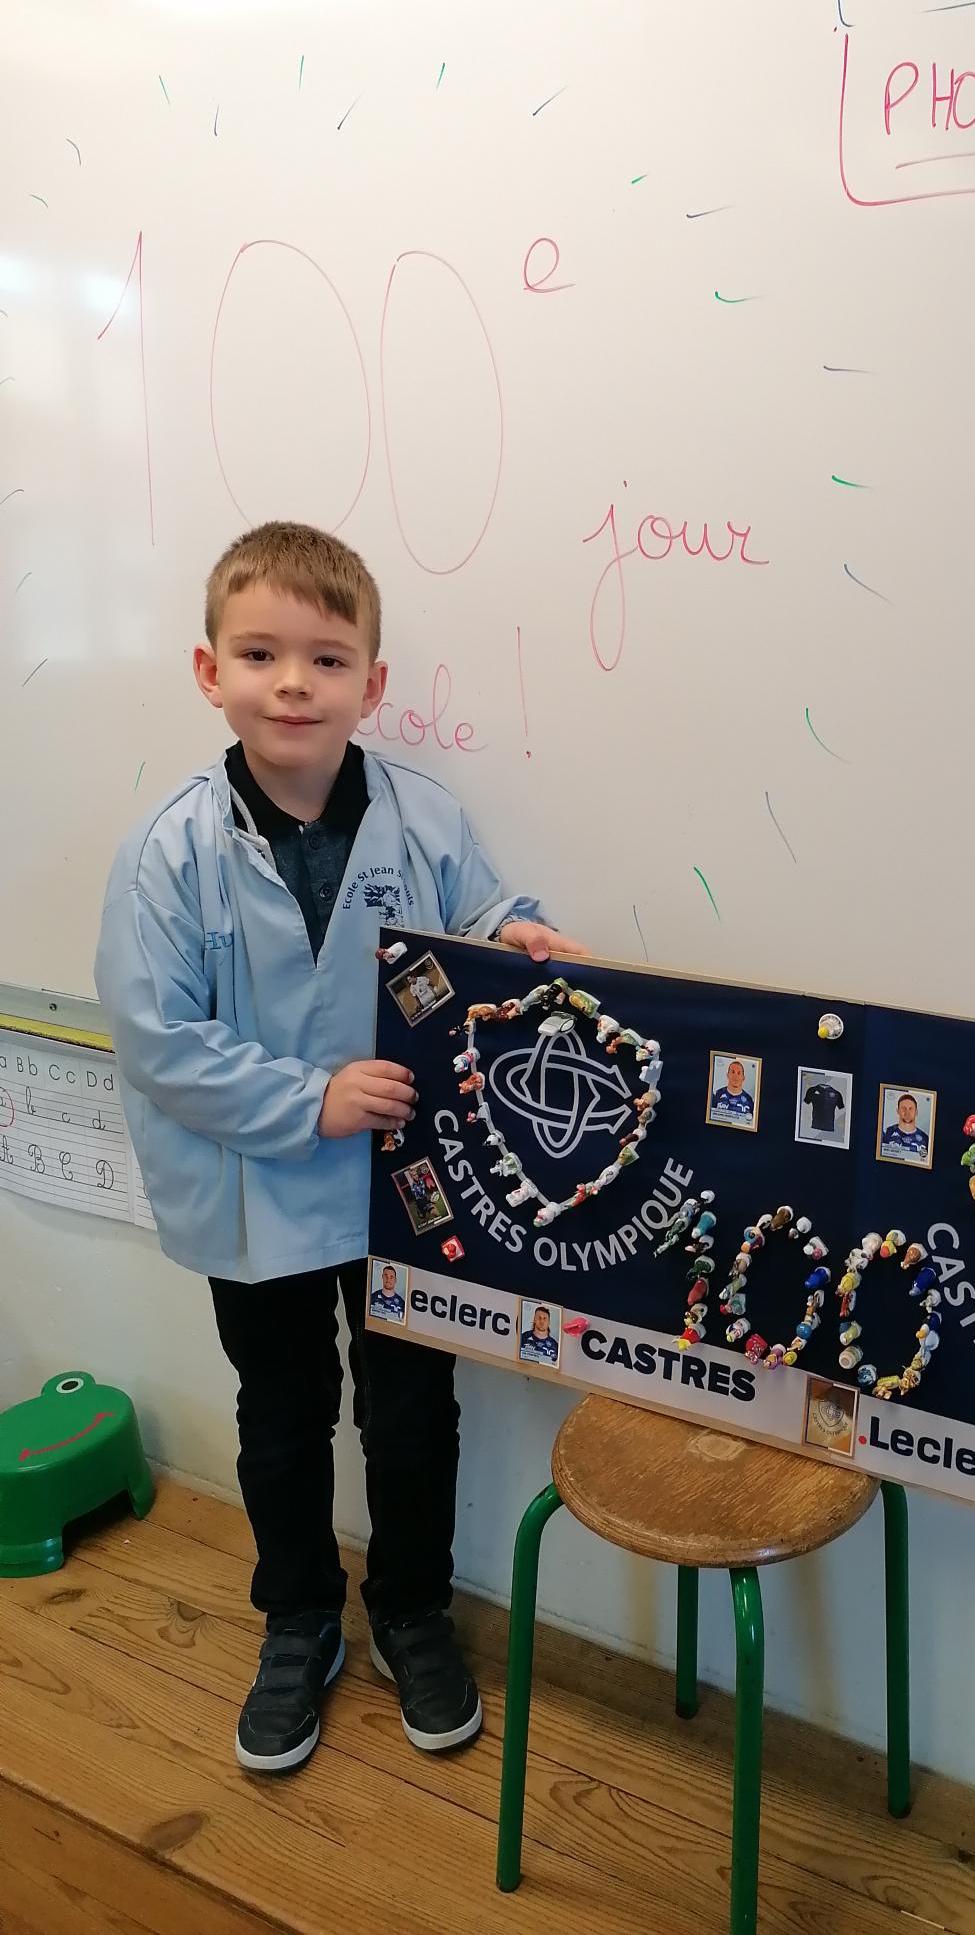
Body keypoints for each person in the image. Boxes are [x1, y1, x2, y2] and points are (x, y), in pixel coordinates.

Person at [94, 521, 586, 1778]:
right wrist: (310, 1098)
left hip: (401, 1185)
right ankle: (299, 1618)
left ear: (373, 682)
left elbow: (477, 907)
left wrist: (517, 935)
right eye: (261, 653)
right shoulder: (172, 849)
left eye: (327, 658)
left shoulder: (420, 816)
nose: (293, 684)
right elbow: (156, 1037)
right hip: (253, 1184)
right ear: (210, 671)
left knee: (413, 1412)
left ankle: (412, 1609)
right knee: (282, 1414)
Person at [880, 1092, 929, 1161]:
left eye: (910, 1109)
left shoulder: (925, 1138)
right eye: (903, 1108)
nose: (907, 1112)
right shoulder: (886, 1133)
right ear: (898, 1111)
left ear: (916, 1112)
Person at [710, 1057, 756, 1123]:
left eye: (739, 1073)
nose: (735, 1076)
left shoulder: (749, 1101)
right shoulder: (717, 1095)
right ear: (727, 1075)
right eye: (733, 1072)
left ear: (743, 1078)